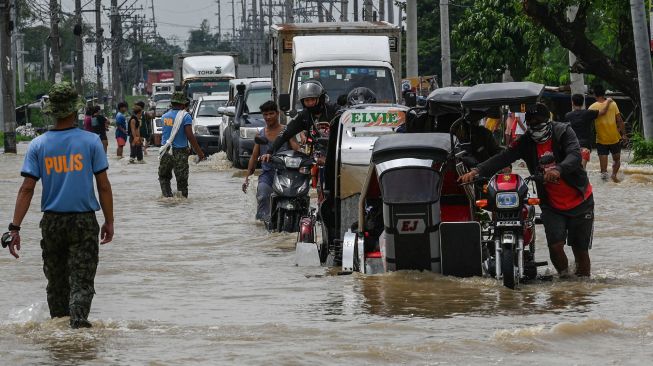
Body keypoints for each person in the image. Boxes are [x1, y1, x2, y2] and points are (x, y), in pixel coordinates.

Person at [4, 82, 114, 329]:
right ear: (75, 111)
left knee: (56, 282)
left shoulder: (38, 145)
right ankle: (78, 326)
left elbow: (27, 189)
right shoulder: (92, 142)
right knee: (82, 280)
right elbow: (104, 186)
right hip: (84, 221)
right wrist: (109, 220)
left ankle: (58, 336)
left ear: (52, 111)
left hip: (52, 223)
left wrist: (15, 228)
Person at [460, 103, 594, 278]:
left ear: (548, 120)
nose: (534, 127)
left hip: (580, 200)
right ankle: (565, 279)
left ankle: (582, 287)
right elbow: (503, 157)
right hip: (551, 204)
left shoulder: (563, 131)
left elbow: (574, 156)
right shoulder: (526, 141)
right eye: (530, 124)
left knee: (580, 250)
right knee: (555, 245)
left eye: (538, 122)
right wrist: (476, 171)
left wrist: (558, 170)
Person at [243, 101, 299, 222]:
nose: (268, 117)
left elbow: (296, 149)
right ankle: (262, 226)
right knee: (263, 196)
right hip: (267, 175)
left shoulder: (286, 131)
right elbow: (253, 156)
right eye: (265, 114)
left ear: (277, 114)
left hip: (286, 174)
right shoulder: (261, 134)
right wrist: (247, 178)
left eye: (271, 113)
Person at [261, 80, 339, 160]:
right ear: (303, 102)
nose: (310, 103)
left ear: (320, 98)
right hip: (315, 157)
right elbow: (285, 133)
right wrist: (269, 152)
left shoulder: (334, 110)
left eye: (312, 99)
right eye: (307, 100)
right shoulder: (303, 115)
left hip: (336, 154)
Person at [158, 91, 205, 198]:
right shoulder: (186, 116)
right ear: (183, 104)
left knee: (164, 177)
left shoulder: (164, 116)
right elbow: (190, 135)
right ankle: (182, 203)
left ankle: (167, 197)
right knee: (182, 181)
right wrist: (199, 152)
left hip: (165, 151)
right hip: (180, 152)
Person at [589, 85, 627, 182]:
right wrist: (624, 135)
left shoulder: (592, 107)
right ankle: (614, 175)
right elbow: (620, 121)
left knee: (603, 171)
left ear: (594, 95)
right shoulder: (613, 104)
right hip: (614, 137)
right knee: (617, 160)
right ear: (604, 93)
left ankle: (605, 187)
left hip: (601, 140)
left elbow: (588, 123)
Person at [564, 93, 613, 169]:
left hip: (572, 147)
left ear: (572, 102)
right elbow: (603, 112)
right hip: (585, 147)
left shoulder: (568, 116)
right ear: (583, 102)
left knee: (573, 169)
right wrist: (608, 101)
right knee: (582, 169)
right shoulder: (588, 113)